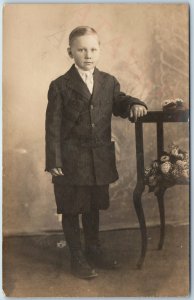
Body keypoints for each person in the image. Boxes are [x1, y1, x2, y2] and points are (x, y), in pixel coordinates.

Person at [45, 26, 148, 279]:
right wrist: (54, 160)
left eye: (92, 49)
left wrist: (135, 103)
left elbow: (119, 101)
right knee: (71, 208)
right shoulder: (60, 85)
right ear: (70, 52)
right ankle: (76, 258)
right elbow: (52, 126)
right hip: (70, 159)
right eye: (81, 50)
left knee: (92, 207)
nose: (87, 55)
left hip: (98, 159)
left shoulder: (108, 81)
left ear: (99, 51)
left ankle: (93, 250)